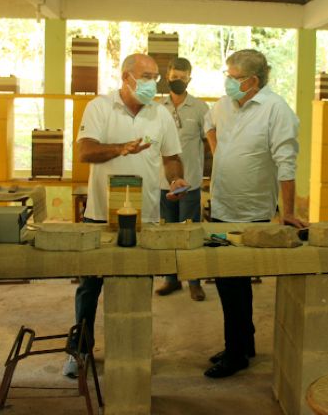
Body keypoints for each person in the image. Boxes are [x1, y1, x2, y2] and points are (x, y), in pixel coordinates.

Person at [63, 53, 188, 378]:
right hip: (101, 214)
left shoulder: (160, 114)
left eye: (155, 77)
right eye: (145, 76)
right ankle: (79, 350)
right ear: (126, 77)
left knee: (137, 284)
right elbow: (85, 151)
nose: (153, 83)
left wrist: (175, 179)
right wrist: (121, 148)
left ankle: (132, 349)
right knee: (90, 286)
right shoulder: (100, 107)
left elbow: (172, 156)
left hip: (144, 217)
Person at [203, 49, 307, 378]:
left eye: (233, 77)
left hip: (252, 212)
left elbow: (286, 162)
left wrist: (286, 212)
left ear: (254, 81)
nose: (227, 81)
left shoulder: (277, 110)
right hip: (220, 209)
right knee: (225, 279)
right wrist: (221, 154)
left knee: (237, 279)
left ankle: (236, 353)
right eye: (227, 75)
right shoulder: (221, 105)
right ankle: (242, 342)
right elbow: (208, 125)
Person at [155, 57, 209, 301]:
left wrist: (196, 169)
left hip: (191, 185)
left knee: (190, 234)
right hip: (161, 183)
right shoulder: (156, 108)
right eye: (174, 77)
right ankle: (171, 280)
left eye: (183, 78)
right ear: (168, 77)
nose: (178, 81)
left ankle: (194, 282)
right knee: (167, 233)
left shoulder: (200, 108)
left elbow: (209, 143)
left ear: (190, 79)